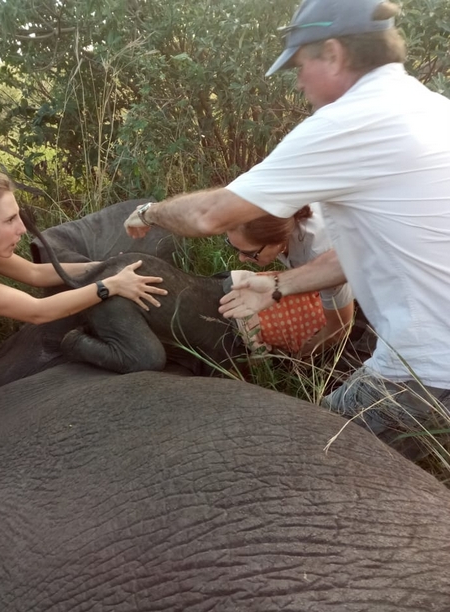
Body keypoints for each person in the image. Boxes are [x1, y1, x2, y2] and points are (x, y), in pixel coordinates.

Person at [123, 0, 450, 455]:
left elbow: (207, 216)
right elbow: (349, 257)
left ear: (333, 54)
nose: (299, 82)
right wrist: (276, 286)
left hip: (429, 369)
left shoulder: (349, 123)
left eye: (301, 65)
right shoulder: (434, 110)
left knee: (299, 455)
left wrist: (150, 211)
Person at [0, 168, 167, 417]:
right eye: (9, 220)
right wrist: (109, 286)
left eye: (18, 216)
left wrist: (99, 267)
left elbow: (34, 273)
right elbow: (36, 311)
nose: (21, 229)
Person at [225, 204, 353, 356]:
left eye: (250, 253)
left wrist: (303, 355)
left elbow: (340, 325)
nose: (241, 259)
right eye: (234, 248)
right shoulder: (277, 220)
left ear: (277, 242)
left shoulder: (320, 254)